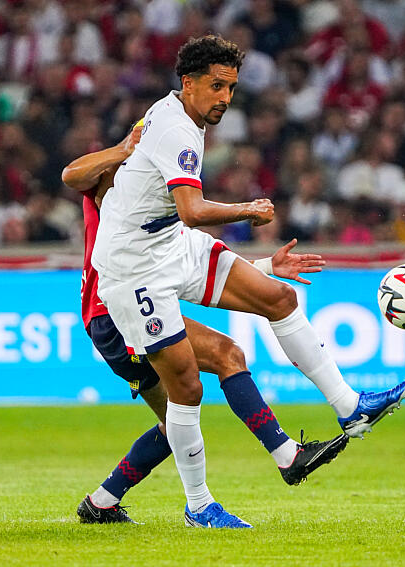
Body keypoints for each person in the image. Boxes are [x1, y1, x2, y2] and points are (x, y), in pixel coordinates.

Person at [91, 35, 405, 528]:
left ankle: (349, 408)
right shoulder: (176, 130)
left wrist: (260, 265)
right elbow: (193, 210)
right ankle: (198, 506)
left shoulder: (176, 115)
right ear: (188, 83)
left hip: (169, 244)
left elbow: (179, 215)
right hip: (133, 271)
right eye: (217, 86)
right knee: (187, 389)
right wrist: (249, 208)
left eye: (232, 88)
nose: (225, 98)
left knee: (278, 297)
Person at [63, 122, 348, 525]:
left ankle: (102, 502)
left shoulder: (160, 196)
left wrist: (266, 266)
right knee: (220, 364)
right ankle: (274, 462)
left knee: (174, 422)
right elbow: (72, 174)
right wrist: (124, 148)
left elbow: (181, 265)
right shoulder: (117, 180)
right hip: (114, 314)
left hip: (123, 309)